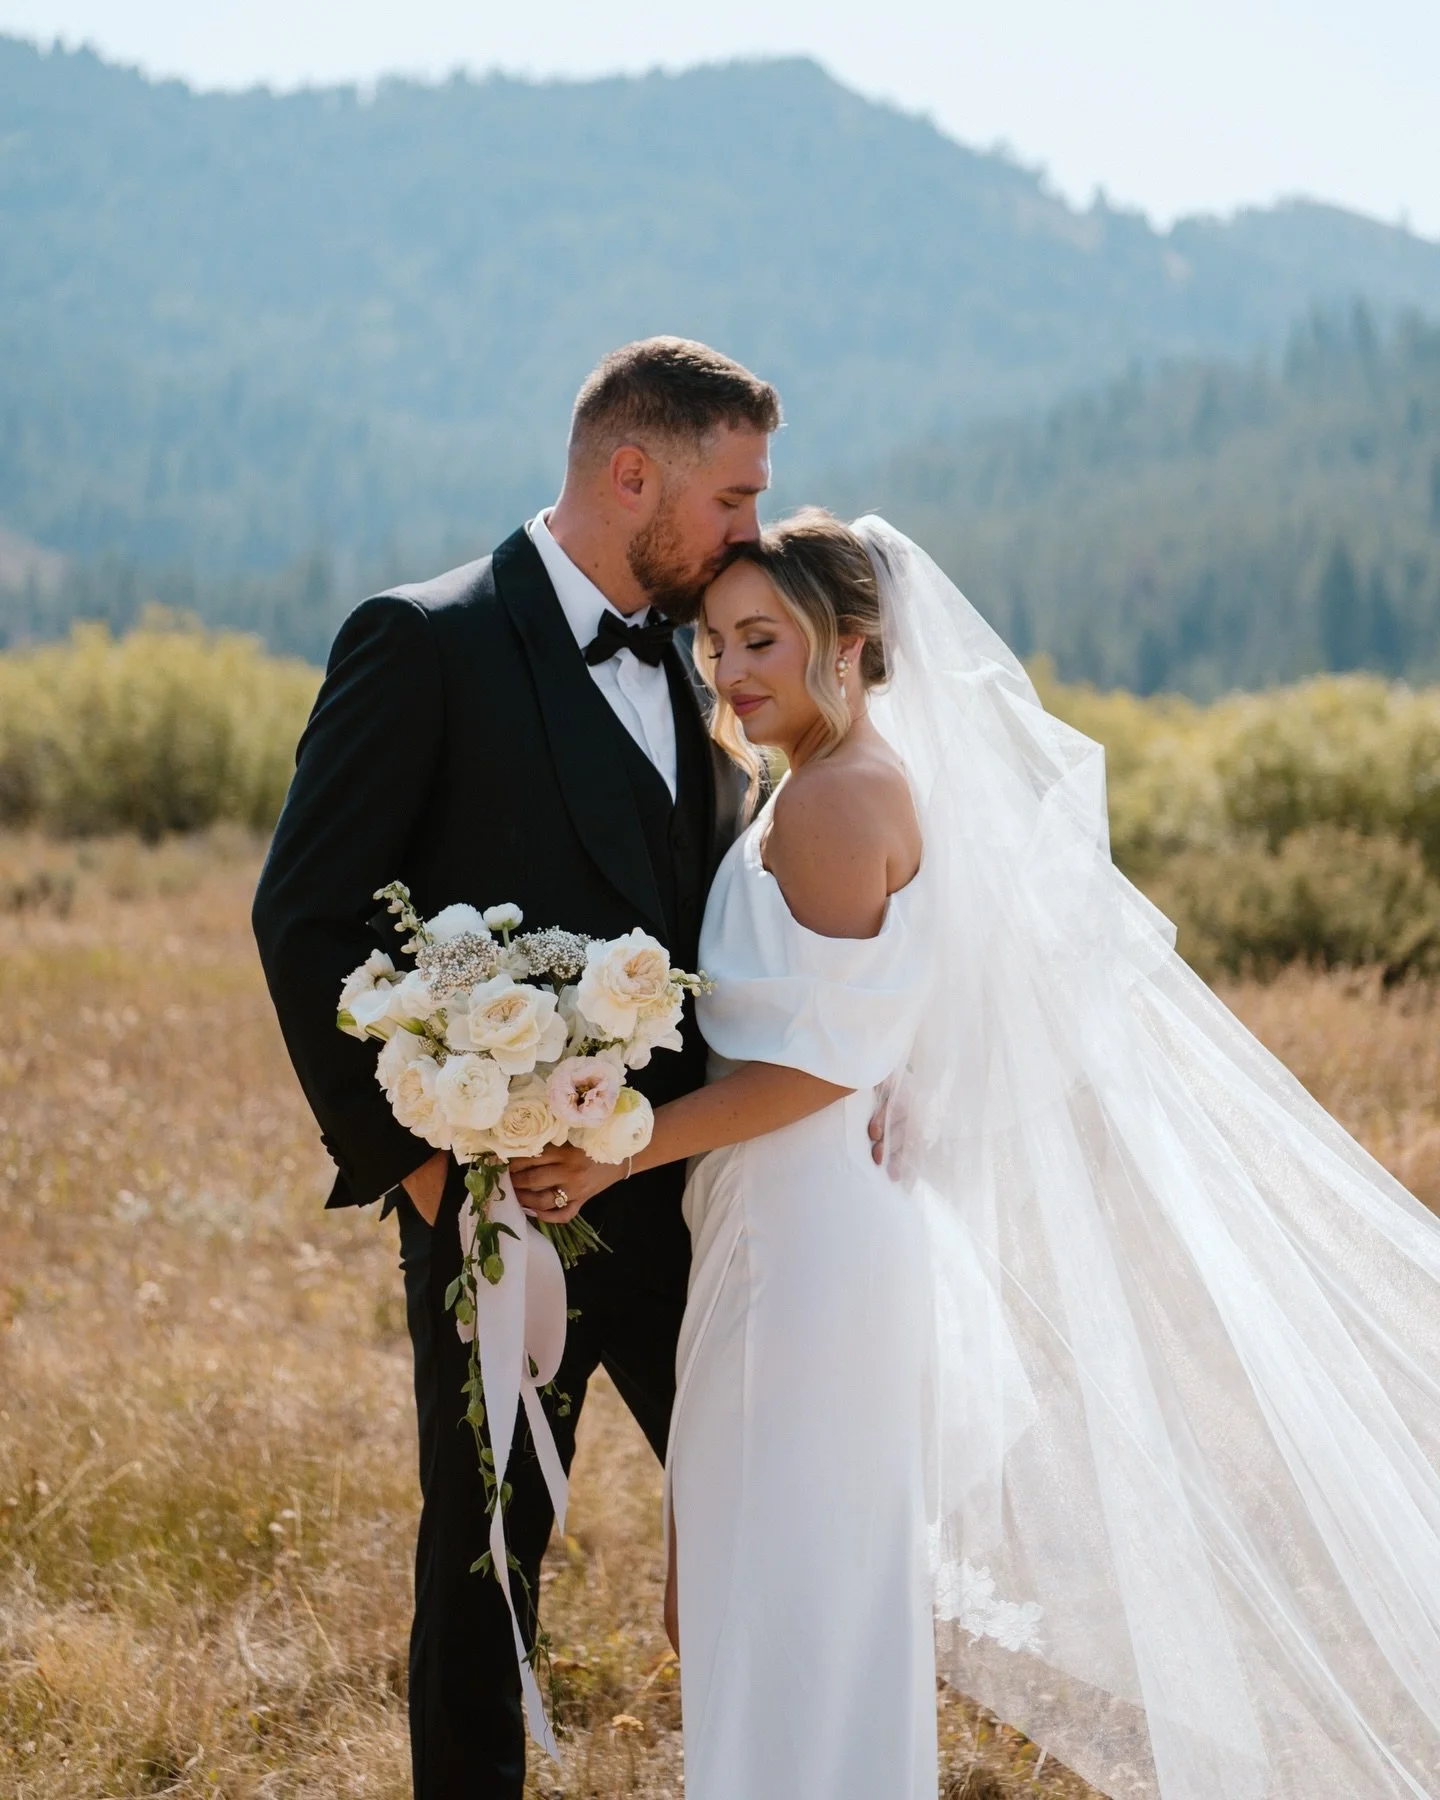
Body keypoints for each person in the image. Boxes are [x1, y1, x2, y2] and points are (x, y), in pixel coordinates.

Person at [513, 510, 1440, 1800]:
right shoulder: (829, 784)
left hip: (810, 1248)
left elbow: (826, 1064)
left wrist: (621, 1151)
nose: (731, 672)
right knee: (748, 1604)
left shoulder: (840, 801)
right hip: (780, 1224)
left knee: (782, 1616)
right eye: (718, 642)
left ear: (853, 642)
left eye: (763, 639)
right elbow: (866, 1033)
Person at [251, 336, 779, 1799]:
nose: (753, 534)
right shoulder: (423, 640)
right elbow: (304, 915)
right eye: (734, 498)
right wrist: (419, 1169)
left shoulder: (694, 669)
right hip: (500, 1223)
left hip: (696, 1204)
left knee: (766, 1531)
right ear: (633, 475)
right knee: (485, 1573)